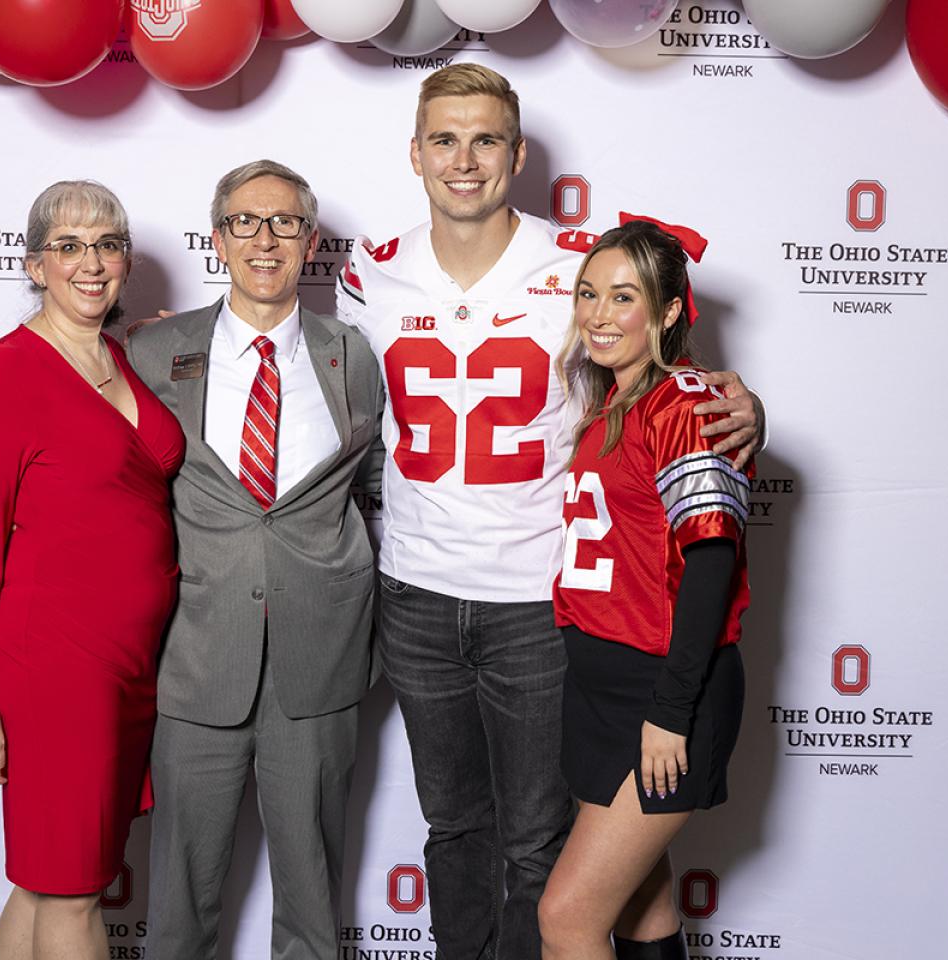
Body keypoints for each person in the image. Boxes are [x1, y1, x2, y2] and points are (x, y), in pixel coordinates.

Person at [334, 64, 762, 959]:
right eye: (444, 139)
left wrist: (750, 408)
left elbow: (669, 363)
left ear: (518, 153)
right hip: (413, 591)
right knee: (453, 829)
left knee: (539, 846)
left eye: (486, 139)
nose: (464, 159)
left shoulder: (578, 264)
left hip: (537, 596)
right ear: (414, 154)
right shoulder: (369, 275)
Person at [125, 159, 382, 960]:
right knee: (180, 896)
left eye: (284, 224)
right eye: (245, 222)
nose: (264, 240)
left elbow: (379, 488)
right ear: (217, 239)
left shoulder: (355, 356)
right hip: (195, 655)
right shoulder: (153, 351)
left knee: (312, 892)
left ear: (310, 243)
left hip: (321, 655)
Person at [0, 180, 184, 960]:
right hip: (55, 666)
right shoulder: (5, 372)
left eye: (108, 244)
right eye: (69, 246)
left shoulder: (125, 357)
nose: (92, 262)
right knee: (76, 893)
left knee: (45, 880)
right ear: (33, 265)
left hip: (131, 664)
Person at [537, 219, 750, 960]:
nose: (597, 314)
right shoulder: (609, 399)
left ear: (667, 312)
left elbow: (713, 563)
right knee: (642, 906)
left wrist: (670, 711)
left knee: (566, 916)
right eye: (589, 293)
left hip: (664, 693)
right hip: (601, 685)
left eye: (623, 297)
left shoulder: (685, 404)